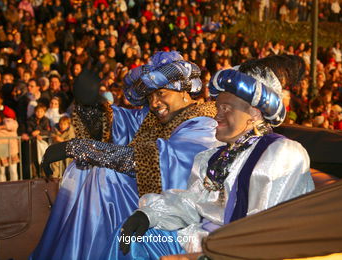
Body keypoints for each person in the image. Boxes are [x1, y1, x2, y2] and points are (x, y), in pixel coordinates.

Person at [112, 54, 315, 259]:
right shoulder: (211, 157)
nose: (216, 115)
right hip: (200, 243)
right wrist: (148, 215)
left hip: (233, 251)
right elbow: (191, 203)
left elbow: (267, 230)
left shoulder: (281, 153)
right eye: (218, 107)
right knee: (134, 239)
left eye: (225, 108)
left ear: (254, 114)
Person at [31, 51, 218, 259]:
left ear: (183, 91)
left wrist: (80, 147)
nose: (154, 103)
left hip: (175, 212)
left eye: (161, 93)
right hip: (143, 202)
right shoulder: (152, 118)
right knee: (83, 168)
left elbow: (163, 162)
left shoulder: (204, 124)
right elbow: (120, 124)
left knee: (104, 177)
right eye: (150, 96)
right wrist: (91, 105)